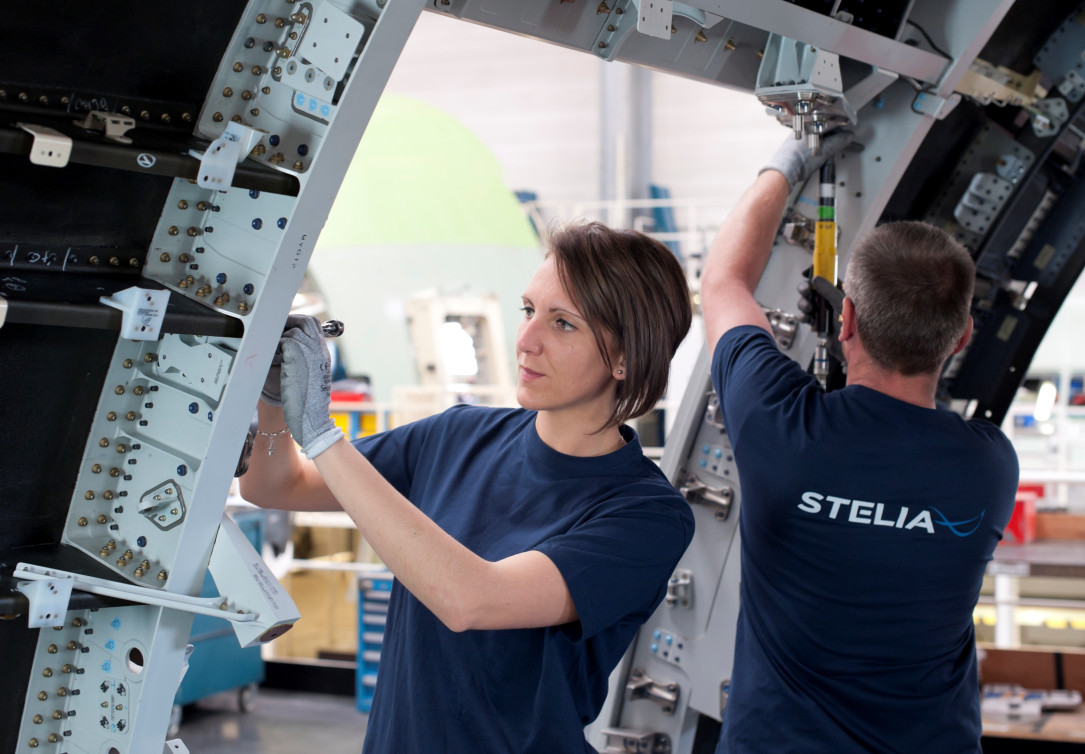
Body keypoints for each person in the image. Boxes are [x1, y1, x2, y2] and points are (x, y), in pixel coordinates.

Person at [240, 221, 696, 754]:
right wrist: (273, 398)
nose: (526, 341)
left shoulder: (645, 516)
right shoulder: (458, 435)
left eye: (563, 324)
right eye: (528, 311)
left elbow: (470, 601)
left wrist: (321, 434)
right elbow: (278, 486)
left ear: (625, 358)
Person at [700, 134, 1019, 754]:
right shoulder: (988, 466)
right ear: (961, 339)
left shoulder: (780, 426)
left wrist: (787, 164)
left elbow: (722, 282)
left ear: (844, 321)